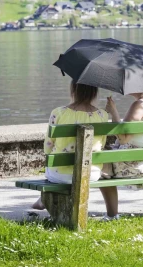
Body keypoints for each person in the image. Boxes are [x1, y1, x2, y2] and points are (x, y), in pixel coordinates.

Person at [31, 81, 119, 219]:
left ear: (73, 90)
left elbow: (47, 148)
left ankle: (45, 198)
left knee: (54, 168)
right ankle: (113, 214)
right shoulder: (102, 115)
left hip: (60, 174)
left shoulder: (58, 113)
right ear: (94, 92)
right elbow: (101, 144)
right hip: (91, 173)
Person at [104, 92, 143, 180]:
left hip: (139, 166)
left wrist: (113, 111)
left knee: (101, 155)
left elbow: (123, 139)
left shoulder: (139, 105)